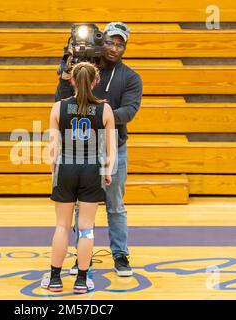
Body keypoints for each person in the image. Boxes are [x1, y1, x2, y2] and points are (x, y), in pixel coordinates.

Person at [55, 22, 143, 276]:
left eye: (120, 44)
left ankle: (120, 254)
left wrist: (98, 115)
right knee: (82, 207)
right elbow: (61, 101)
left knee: (115, 205)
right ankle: (83, 256)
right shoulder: (83, 69)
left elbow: (129, 111)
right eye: (110, 42)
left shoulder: (131, 77)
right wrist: (65, 72)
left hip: (116, 148)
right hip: (83, 150)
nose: (114, 48)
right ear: (100, 41)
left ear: (125, 47)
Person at [42, 62, 117, 294]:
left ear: (72, 81)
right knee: (86, 228)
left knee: (62, 226)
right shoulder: (104, 110)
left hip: (67, 167)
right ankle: (82, 281)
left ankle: (55, 279)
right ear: (96, 82)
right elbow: (111, 149)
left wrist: (56, 173)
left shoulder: (58, 108)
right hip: (92, 169)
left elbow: (52, 151)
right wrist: (107, 172)